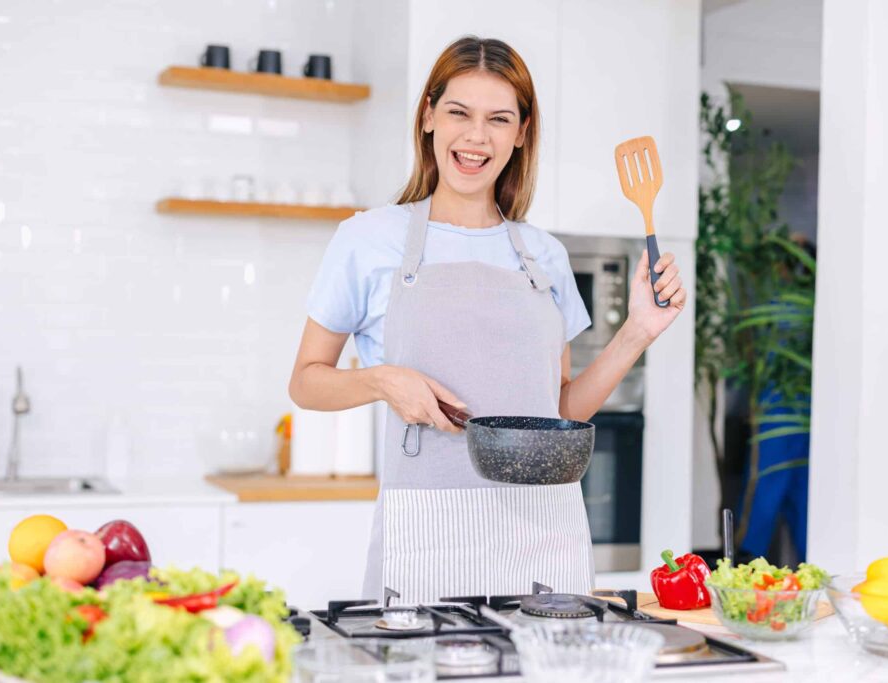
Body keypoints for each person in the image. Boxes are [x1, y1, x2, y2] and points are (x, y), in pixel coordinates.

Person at [289, 36, 686, 603]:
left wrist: (638, 331)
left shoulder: (543, 254)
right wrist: (383, 381)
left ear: (521, 133)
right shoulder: (369, 239)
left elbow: (560, 411)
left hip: (544, 533)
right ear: (428, 116)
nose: (477, 137)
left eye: (499, 119)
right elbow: (306, 380)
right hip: (428, 535)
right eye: (459, 113)